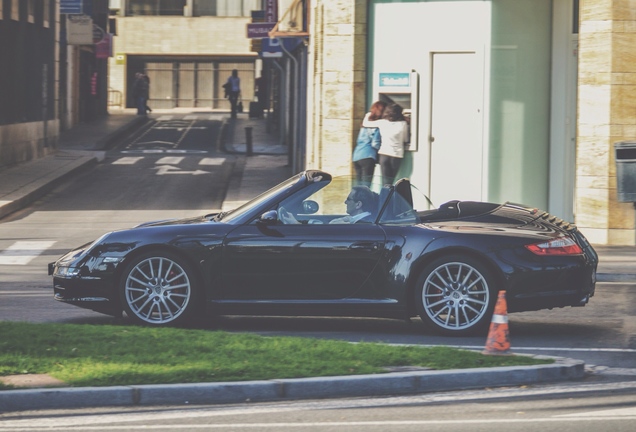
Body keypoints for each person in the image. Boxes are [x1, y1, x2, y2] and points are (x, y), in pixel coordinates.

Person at [362, 103, 409, 186]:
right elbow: (405, 139)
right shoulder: (403, 124)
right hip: (396, 155)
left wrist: (369, 113)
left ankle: (384, 197)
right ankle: (388, 197)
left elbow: (366, 123)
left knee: (385, 182)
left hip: (384, 154)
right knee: (391, 181)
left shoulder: (382, 122)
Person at [279, 185, 377, 225]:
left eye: (348, 199)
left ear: (358, 204)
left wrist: (296, 225)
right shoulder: (355, 220)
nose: (345, 202)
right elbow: (323, 227)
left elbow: (321, 235)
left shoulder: (361, 224)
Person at [352, 101, 387, 186]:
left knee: (359, 184)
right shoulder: (377, 126)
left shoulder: (364, 125)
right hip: (368, 156)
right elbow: (375, 143)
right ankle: (364, 199)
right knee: (366, 185)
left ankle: (357, 199)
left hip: (357, 155)